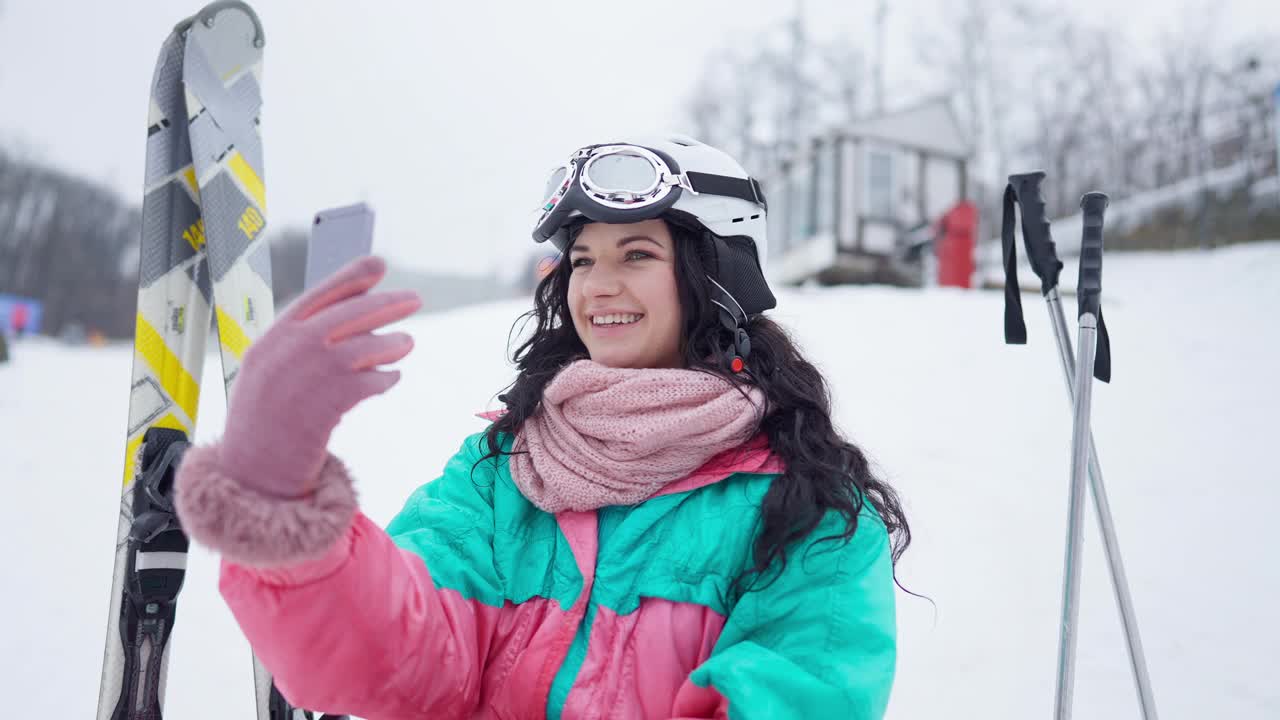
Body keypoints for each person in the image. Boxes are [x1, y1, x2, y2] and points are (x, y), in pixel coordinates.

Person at [175, 135, 911, 719]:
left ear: (716, 278)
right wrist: (278, 493)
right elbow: (399, 656)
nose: (597, 285)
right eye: (582, 259)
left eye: (638, 255)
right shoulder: (502, 471)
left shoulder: (809, 511)